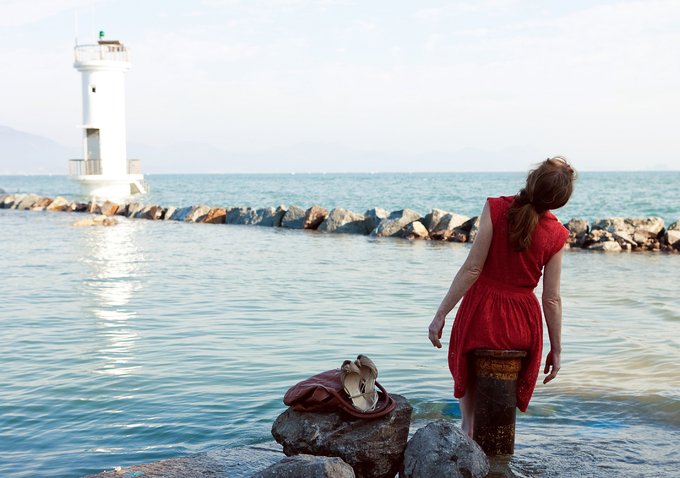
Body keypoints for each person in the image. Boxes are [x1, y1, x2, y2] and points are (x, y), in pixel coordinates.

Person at [428, 157, 577, 437]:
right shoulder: (557, 233)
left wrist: (441, 314)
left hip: (481, 312)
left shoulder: (495, 208)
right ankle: (500, 435)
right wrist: (556, 350)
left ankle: (468, 424)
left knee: (469, 347)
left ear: (531, 180)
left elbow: (473, 269)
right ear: (559, 202)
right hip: (522, 325)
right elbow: (551, 298)